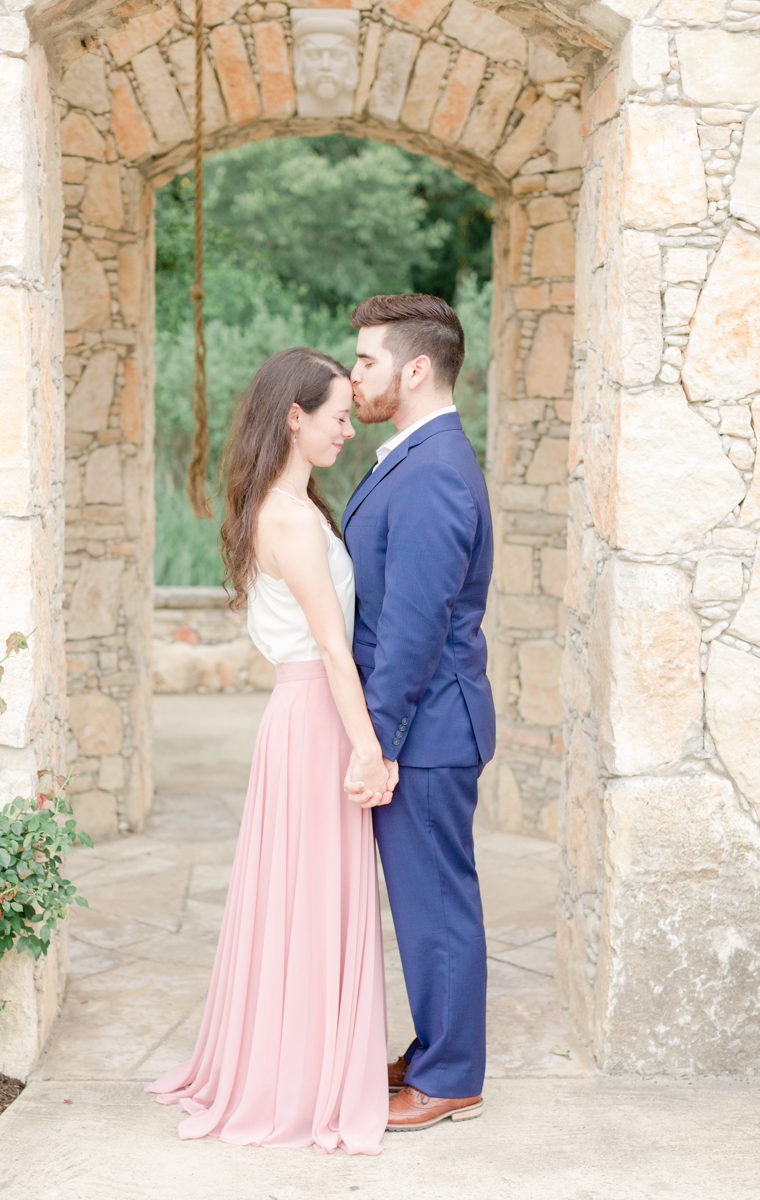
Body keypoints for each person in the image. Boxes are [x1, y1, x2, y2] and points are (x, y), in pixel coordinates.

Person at [145, 348, 394, 1155]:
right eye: (336, 417)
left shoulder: (282, 505)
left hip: (300, 714)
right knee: (312, 898)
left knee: (303, 897)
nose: (348, 431)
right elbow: (332, 648)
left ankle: (296, 1062)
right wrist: (368, 750)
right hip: (317, 715)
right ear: (295, 417)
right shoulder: (289, 518)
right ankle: (299, 1079)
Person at [343, 294, 496, 1131]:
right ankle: (439, 1045)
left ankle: (450, 1077)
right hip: (423, 725)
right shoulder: (412, 453)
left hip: (428, 730)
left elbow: (413, 625)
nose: (355, 373)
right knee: (426, 899)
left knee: (436, 901)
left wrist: (379, 738)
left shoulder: (435, 467)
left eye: (365, 359)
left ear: (414, 368)